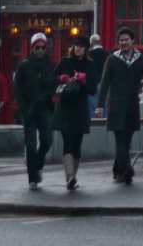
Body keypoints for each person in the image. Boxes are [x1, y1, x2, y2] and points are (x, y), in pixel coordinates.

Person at [94, 26, 143, 184]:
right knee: (120, 139)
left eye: (126, 40)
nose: (123, 43)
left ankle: (118, 170)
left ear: (132, 41)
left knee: (126, 140)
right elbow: (105, 83)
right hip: (115, 105)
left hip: (131, 105)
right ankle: (127, 171)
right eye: (121, 40)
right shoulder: (112, 59)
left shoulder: (141, 59)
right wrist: (100, 105)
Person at [52, 37, 98, 191]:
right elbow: (52, 80)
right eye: (76, 46)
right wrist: (61, 78)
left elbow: (93, 89)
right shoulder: (65, 62)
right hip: (65, 107)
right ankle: (70, 177)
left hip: (80, 108)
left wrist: (83, 81)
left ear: (86, 49)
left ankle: (73, 178)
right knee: (68, 142)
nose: (78, 49)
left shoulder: (90, 65)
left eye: (81, 46)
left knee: (77, 144)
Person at [12, 32, 56, 191]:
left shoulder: (51, 65)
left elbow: (54, 85)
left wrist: (47, 97)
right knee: (30, 145)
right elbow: (17, 88)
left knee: (47, 140)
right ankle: (32, 177)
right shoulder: (24, 66)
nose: (40, 50)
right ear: (32, 48)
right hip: (29, 110)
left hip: (44, 108)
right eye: (37, 47)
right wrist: (23, 107)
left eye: (43, 47)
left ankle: (38, 163)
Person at [87, 33, 107, 117]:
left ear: (91, 43)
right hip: (104, 83)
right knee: (103, 103)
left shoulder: (89, 55)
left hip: (93, 83)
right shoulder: (107, 54)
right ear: (99, 42)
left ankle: (93, 122)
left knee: (92, 104)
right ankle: (104, 120)